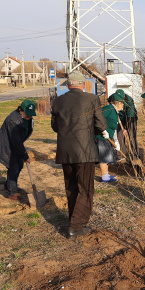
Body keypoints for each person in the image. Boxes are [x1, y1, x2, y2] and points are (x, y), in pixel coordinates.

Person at [51, 71, 106, 238]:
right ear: (83, 85)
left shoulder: (58, 101)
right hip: (85, 151)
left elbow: (55, 127)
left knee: (71, 186)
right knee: (85, 189)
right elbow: (100, 123)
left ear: (67, 85)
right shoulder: (92, 99)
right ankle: (76, 226)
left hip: (65, 151)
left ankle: (73, 219)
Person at [0, 100, 37, 200]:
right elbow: (16, 141)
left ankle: (9, 185)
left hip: (13, 145)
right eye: (27, 114)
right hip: (3, 145)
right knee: (13, 166)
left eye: (31, 115)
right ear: (20, 110)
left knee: (19, 164)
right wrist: (24, 155)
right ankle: (12, 192)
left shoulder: (28, 119)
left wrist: (22, 154)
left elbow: (19, 140)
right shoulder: (13, 120)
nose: (29, 117)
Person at [97, 93, 125, 182]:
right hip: (101, 137)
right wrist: (103, 130)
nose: (123, 105)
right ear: (118, 103)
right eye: (122, 103)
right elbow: (97, 118)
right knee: (104, 157)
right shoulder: (108, 109)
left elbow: (114, 128)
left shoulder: (115, 112)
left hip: (107, 137)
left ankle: (106, 174)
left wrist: (116, 141)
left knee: (107, 157)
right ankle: (104, 177)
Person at [116, 89, 139, 160]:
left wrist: (126, 128)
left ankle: (135, 155)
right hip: (120, 119)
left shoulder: (129, 101)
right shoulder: (114, 99)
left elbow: (130, 117)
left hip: (130, 119)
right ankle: (122, 156)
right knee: (120, 136)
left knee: (131, 136)